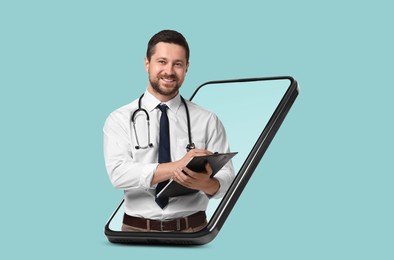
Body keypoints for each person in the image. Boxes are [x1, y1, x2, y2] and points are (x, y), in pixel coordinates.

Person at [103, 30, 235, 232]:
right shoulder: (120, 119)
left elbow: (228, 178)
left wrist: (206, 184)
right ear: (147, 63)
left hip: (194, 229)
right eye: (162, 62)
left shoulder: (207, 120)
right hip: (135, 231)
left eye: (178, 64)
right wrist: (176, 167)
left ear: (187, 68)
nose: (169, 71)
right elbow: (118, 174)